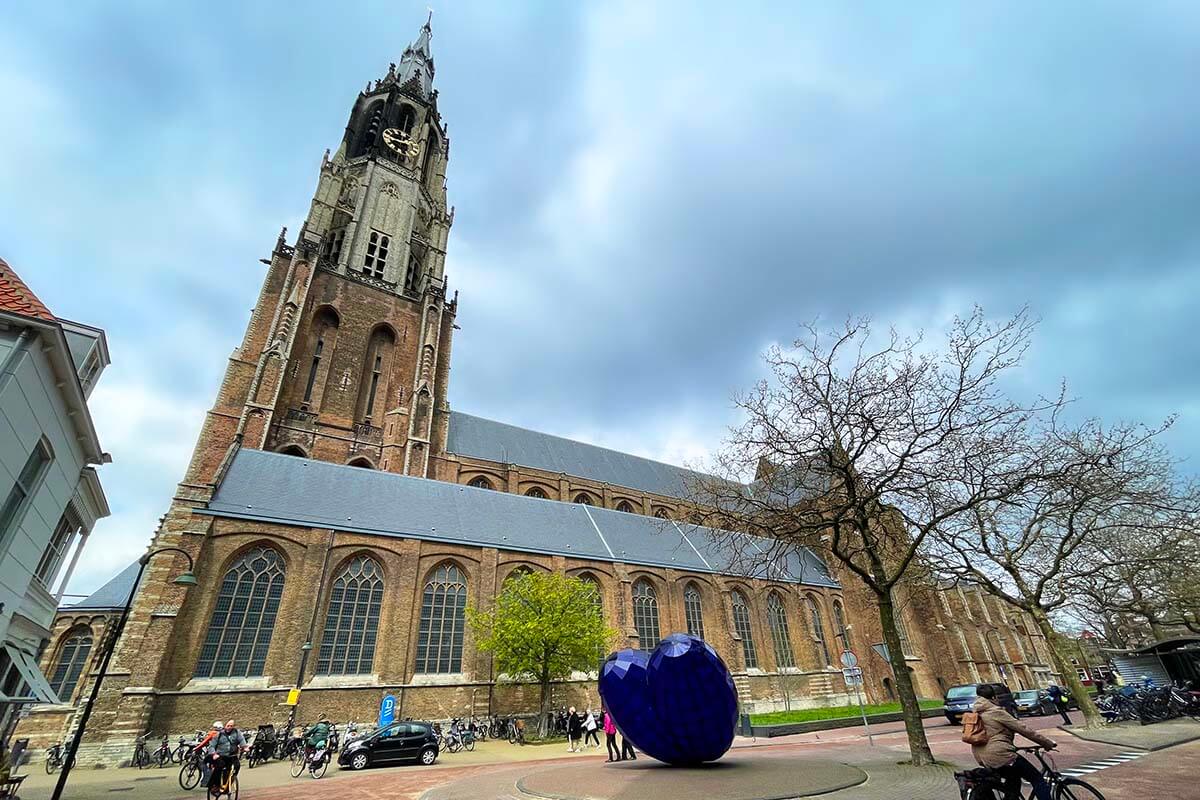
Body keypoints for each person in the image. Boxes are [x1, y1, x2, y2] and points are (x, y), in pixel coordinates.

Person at [971, 684, 1056, 800]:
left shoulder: (975, 713)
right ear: (994, 697)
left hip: (982, 757)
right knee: (1037, 779)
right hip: (1001, 755)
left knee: (1013, 779)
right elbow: (1023, 729)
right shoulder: (995, 711)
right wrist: (1046, 743)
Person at [205, 720, 246, 795]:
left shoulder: (237, 733)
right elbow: (211, 746)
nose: (229, 727)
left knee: (237, 766)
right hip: (221, 756)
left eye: (231, 726)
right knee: (220, 765)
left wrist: (244, 747)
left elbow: (242, 740)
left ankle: (229, 783)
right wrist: (214, 754)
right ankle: (215, 785)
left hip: (232, 756)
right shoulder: (219, 735)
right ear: (225, 726)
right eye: (228, 726)